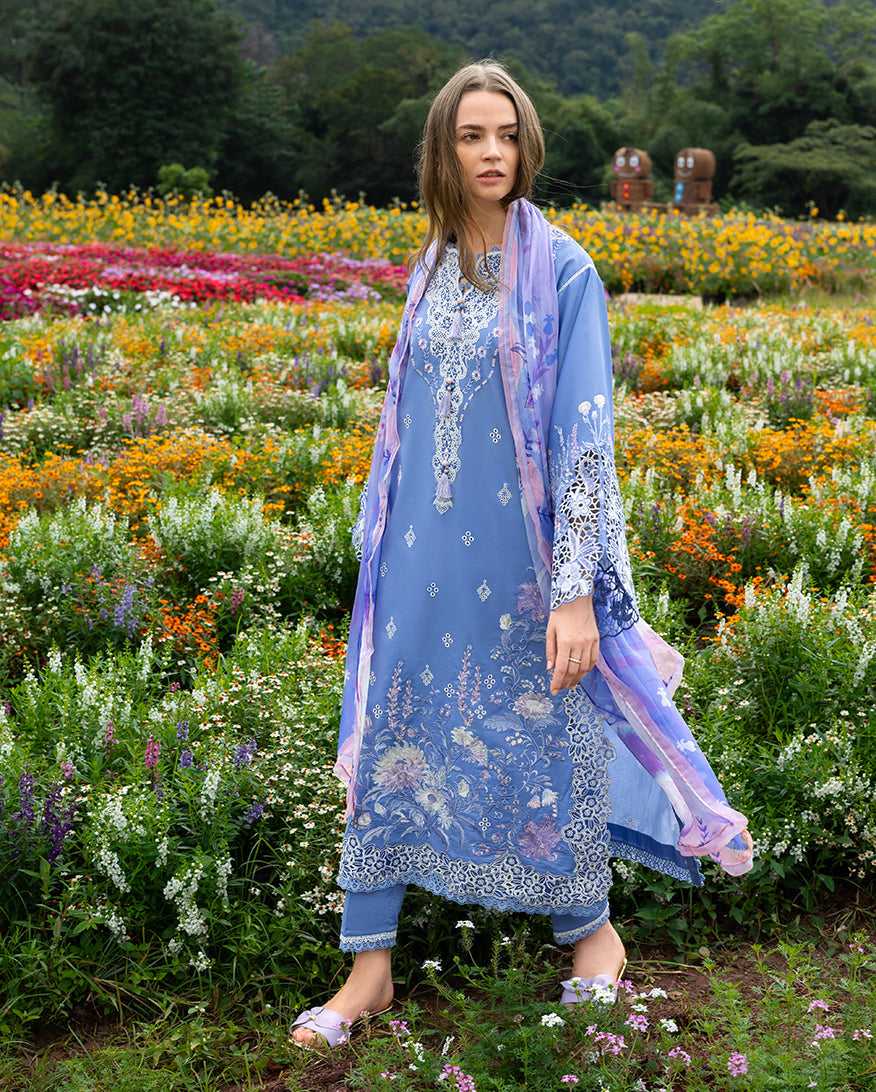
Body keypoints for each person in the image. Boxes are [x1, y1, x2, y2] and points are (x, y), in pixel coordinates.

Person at [290, 61, 752, 1048]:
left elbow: (584, 440)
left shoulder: (564, 271)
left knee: (547, 729)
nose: (491, 152)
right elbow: (409, 426)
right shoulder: (430, 267)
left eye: (506, 134)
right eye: (471, 136)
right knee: (394, 735)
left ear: (527, 145)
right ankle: (368, 968)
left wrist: (575, 593)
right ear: (443, 151)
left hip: (528, 568)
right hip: (418, 562)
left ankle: (593, 939)